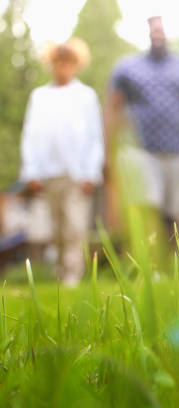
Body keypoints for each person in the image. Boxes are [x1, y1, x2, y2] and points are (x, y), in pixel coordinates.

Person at [105, 16, 179, 232]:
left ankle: (168, 261)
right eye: (154, 30)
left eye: (162, 30)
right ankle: (147, 259)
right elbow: (113, 108)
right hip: (141, 150)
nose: (158, 34)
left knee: (171, 212)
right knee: (149, 205)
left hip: (178, 151)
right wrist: (109, 151)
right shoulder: (127, 68)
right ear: (148, 33)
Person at [20, 38, 104, 286]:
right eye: (58, 63)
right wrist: (31, 171)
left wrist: (91, 172)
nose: (63, 68)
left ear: (76, 65)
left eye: (68, 63)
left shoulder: (86, 96)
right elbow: (31, 135)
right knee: (55, 228)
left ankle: (72, 276)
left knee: (74, 226)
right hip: (48, 173)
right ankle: (60, 272)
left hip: (76, 173)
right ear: (51, 64)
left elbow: (94, 137)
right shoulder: (40, 97)